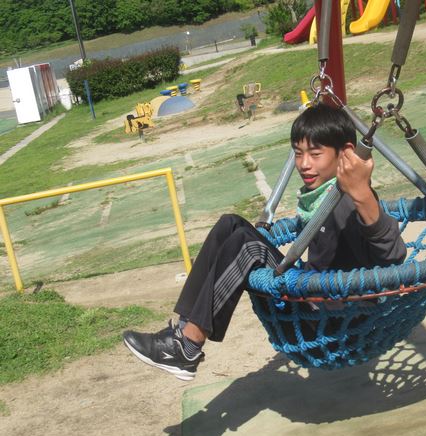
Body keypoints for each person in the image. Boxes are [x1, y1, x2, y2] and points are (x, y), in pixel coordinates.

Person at [122, 103, 407, 380]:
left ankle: (188, 346)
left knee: (247, 246)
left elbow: (393, 255)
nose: (304, 164)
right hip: (311, 304)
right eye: (298, 153)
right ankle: (183, 331)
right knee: (230, 225)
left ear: (345, 153)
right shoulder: (319, 198)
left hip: (337, 325)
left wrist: (361, 191)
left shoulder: (351, 200)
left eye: (315, 154)